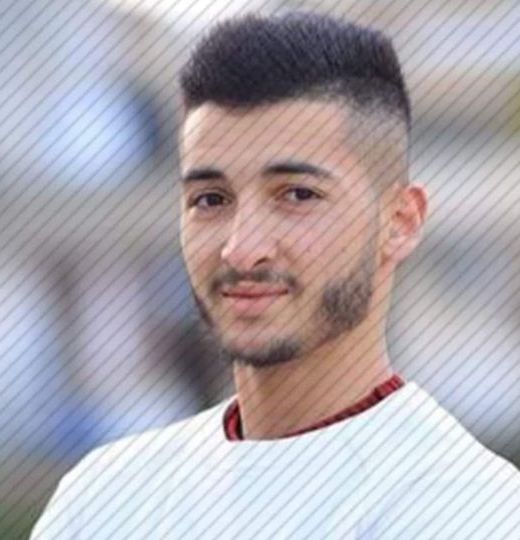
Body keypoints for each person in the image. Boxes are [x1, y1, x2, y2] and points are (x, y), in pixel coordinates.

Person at [31, 12, 520, 539]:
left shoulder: (468, 509)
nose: (242, 249)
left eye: (297, 195)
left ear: (399, 222)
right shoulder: (103, 499)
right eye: (210, 199)